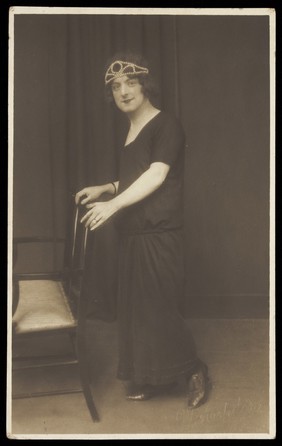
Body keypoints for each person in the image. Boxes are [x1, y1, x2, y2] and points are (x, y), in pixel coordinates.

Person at [75, 54, 209, 408]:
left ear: (145, 85)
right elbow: (135, 178)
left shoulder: (167, 124)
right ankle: (153, 378)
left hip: (159, 233)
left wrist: (113, 205)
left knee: (160, 310)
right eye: (116, 87)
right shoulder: (132, 131)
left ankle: (195, 370)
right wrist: (107, 188)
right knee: (138, 315)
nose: (123, 91)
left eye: (130, 83)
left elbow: (157, 175)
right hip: (133, 235)